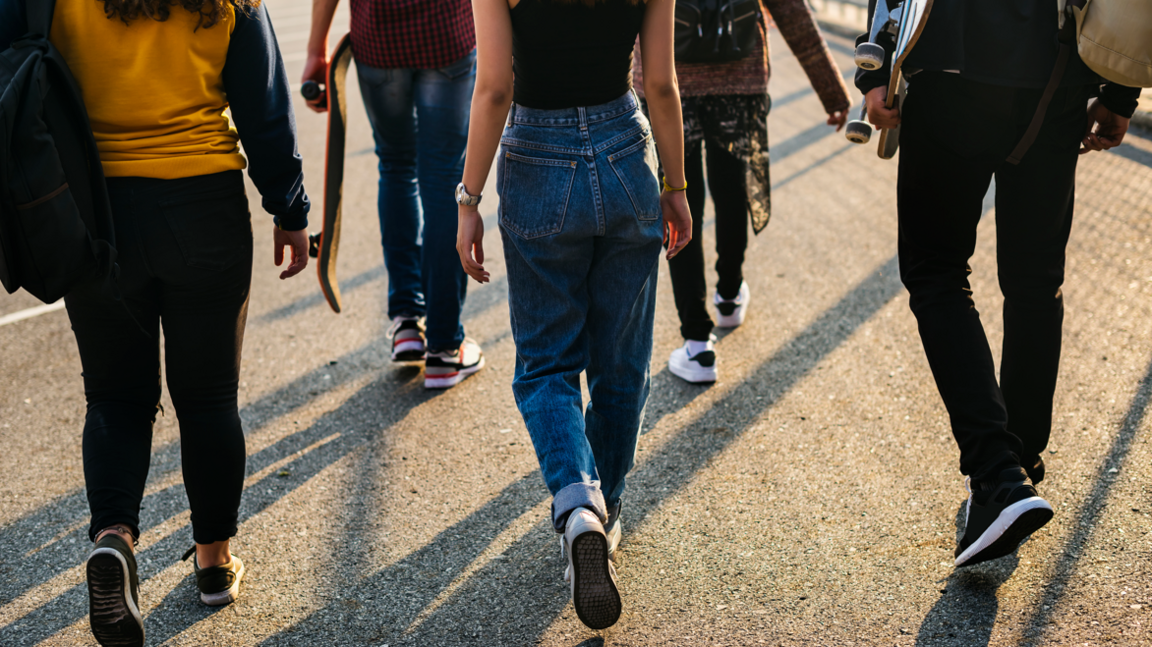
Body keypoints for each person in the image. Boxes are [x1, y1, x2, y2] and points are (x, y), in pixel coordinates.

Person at [0, 0, 311, 644]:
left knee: (114, 396)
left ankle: (113, 538)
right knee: (208, 399)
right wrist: (289, 207)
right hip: (205, 205)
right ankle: (214, 566)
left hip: (91, 208)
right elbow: (264, 107)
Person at [857, 0, 1140, 568]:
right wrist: (1118, 91)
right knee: (1036, 282)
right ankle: (1022, 465)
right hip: (1057, 71)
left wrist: (875, 66)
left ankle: (997, 475)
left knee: (935, 270)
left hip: (952, 63)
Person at [455, 0, 690, 629]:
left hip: (537, 154)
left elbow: (495, 88)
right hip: (625, 152)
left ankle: (577, 504)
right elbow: (660, 84)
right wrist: (676, 185)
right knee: (622, 368)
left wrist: (469, 198)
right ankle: (601, 511)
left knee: (546, 365)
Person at [635, 0, 851, 383]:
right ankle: (730, 293)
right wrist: (831, 91)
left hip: (666, 77)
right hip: (740, 74)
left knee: (680, 200)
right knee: (733, 191)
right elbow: (792, 13)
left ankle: (697, 344)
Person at [304, 0, 484, 389]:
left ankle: (406, 321)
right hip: (448, 35)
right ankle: (444, 347)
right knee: (444, 179)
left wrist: (315, 49)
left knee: (397, 166)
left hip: (380, 41)